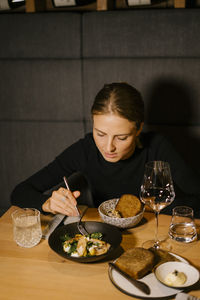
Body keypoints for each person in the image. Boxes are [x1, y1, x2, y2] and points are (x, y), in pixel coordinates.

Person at [11, 83, 200, 218]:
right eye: (100, 133)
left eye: (121, 137)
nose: (108, 147)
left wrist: (147, 209)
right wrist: (48, 204)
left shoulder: (158, 147)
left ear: (138, 129)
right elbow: (20, 192)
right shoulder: (85, 149)